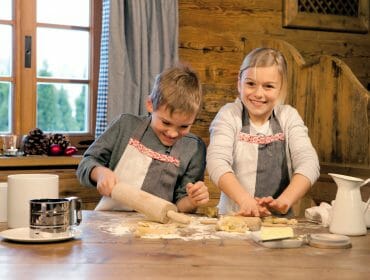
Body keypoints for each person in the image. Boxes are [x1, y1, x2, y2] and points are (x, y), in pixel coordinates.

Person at [77, 64, 209, 213]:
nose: (173, 133)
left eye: (184, 126)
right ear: (150, 105)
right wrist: (100, 172)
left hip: (159, 232)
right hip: (111, 223)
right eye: (166, 122)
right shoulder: (125, 126)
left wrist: (192, 201)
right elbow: (85, 164)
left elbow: (180, 207)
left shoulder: (194, 148)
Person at [206, 48, 320, 217]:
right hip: (235, 219)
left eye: (268, 86)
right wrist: (245, 200)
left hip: (279, 223)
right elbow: (216, 162)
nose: (258, 94)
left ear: (281, 89)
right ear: (239, 83)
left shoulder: (288, 117)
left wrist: (285, 200)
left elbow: (309, 163)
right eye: (250, 84)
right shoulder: (229, 114)